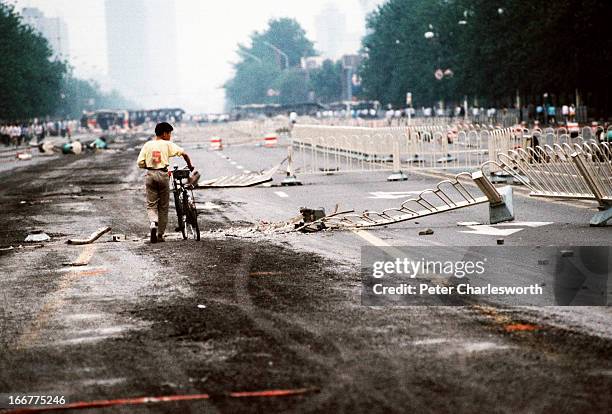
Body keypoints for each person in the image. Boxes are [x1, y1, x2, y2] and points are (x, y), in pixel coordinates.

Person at [137, 122, 194, 243]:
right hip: (163, 175)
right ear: (164, 133)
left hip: (150, 175)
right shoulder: (167, 144)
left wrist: (150, 166)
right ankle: (160, 235)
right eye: (169, 133)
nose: (170, 136)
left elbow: (140, 162)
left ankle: (153, 222)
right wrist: (190, 166)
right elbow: (185, 154)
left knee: (151, 204)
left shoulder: (148, 145)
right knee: (163, 206)